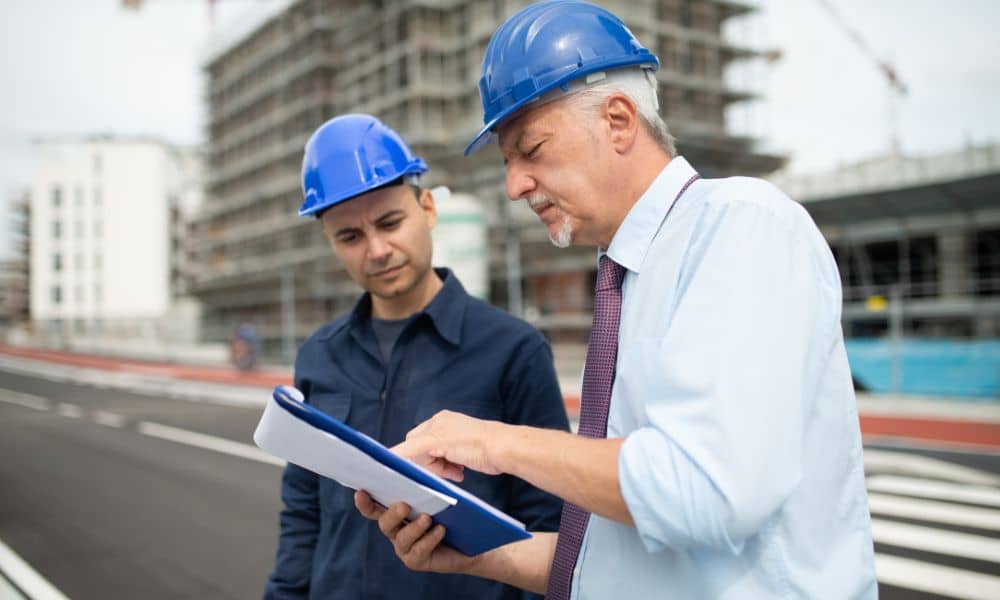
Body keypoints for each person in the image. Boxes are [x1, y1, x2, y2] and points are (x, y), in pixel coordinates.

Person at [356, 2, 877, 598]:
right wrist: (470, 553)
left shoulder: (741, 227)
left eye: (531, 149)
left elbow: (704, 491)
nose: (514, 185)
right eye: (508, 162)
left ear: (619, 120)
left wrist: (488, 441)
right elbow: (611, 557)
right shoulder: (627, 276)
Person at [264, 114, 569, 600]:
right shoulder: (318, 357)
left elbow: (550, 522)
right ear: (330, 242)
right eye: (350, 237)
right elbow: (304, 515)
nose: (378, 249)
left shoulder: (513, 350)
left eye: (390, 222)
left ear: (427, 207)